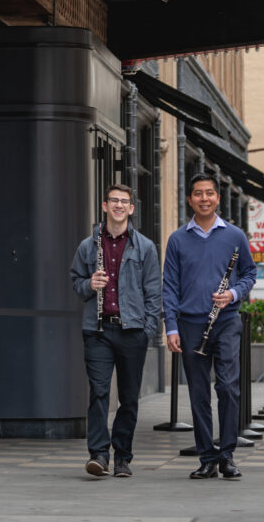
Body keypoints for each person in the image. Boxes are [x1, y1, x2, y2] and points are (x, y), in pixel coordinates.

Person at [162, 172, 256, 480]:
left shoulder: (234, 235)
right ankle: (206, 456)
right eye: (198, 194)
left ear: (217, 198)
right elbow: (169, 287)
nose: (204, 198)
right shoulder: (177, 239)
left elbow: (249, 274)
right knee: (199, 393)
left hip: (226, 321)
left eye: (210, 193)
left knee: (228, 387)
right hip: (190, 325)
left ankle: (226, 454)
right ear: (189, 199)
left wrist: (232, 293)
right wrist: (172, 327)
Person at [70, 184, 161, 479]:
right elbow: (75, 281)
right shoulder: (88, 246)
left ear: (131, 208)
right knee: (98, 392)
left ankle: (122, 456)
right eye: (114, 201)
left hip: (133, 331)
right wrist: (89, 285)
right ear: (105, 206)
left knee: (130, 397)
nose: (119, 205)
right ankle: (99, 454)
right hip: (97, 330)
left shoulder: (145, 247)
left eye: (125, 201)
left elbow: (153, 293)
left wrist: (148, 330)